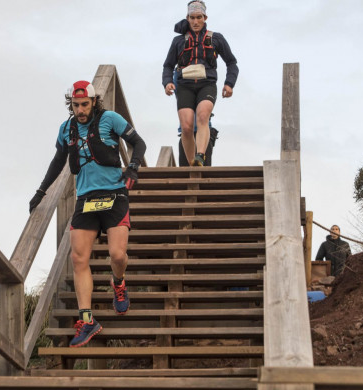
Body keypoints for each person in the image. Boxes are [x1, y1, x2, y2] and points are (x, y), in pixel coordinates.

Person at [28, 80, 147, 347]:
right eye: (75, 105)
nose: (80, 110)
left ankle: (118, 282)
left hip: (115, 194)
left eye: (85, 104)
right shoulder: (66, 129)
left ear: (94, 102)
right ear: (70, 105)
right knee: (78, 258)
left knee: (117, 255)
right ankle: (87, 319)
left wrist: (134, 168)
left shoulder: (110, 119)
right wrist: (41, 191)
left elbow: (139, 143)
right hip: (86, 199)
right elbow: (58, 161)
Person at [163, 0, 238, 166]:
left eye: (199, 17)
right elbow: (168, 66)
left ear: (205, 17)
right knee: (187, 126)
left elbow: (232, 63)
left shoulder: (216, 38)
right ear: (187, 18)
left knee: (203, 115)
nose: (195, 21)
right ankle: (191, 165)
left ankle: (200, 156)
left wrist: (229, 83)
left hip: (207, 84)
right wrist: (167, 82)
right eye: (192, 17)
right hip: (184, 85)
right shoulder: (178, 41)